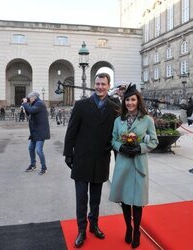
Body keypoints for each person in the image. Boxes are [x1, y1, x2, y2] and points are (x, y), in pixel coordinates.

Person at [63, 73, 118, 248]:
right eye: (98, 83)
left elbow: (117, 132)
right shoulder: (81, 105)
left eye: (103, 84)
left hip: (101, 158)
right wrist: (68, 153)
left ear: (109, 86)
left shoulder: (115, 107)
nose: (100, 87)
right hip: (81, 158)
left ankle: (94, 225)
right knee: (81, 198)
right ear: (94, 85)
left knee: (95, 198)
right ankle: (81, 230)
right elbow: (71, 131)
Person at [109, 83, 158, 249]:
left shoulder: (147, 120)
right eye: (127, 100)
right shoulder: (118, 120)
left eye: (133, 100)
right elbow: (113, 139)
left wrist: (140, 148)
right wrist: (120, 147)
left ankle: (137, 230)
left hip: (138, 165)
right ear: (124, 102)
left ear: (138, 101)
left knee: (137, 202)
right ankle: (128, 228)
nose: (130, 103)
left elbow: (154, 141)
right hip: (123, 163)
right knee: (124, 200)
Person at [22, 91, 50, 175]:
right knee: (31, 148)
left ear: (33, 97)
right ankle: (33, 165)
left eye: (29, 98)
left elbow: (31, 110)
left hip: (40, 132)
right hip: (35, 132)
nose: (28, 99)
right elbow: (30, 112)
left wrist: (25, 103)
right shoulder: (34, 104)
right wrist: (25, 108)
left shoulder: (39, 104)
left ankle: (44, 168)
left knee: (38, 150)